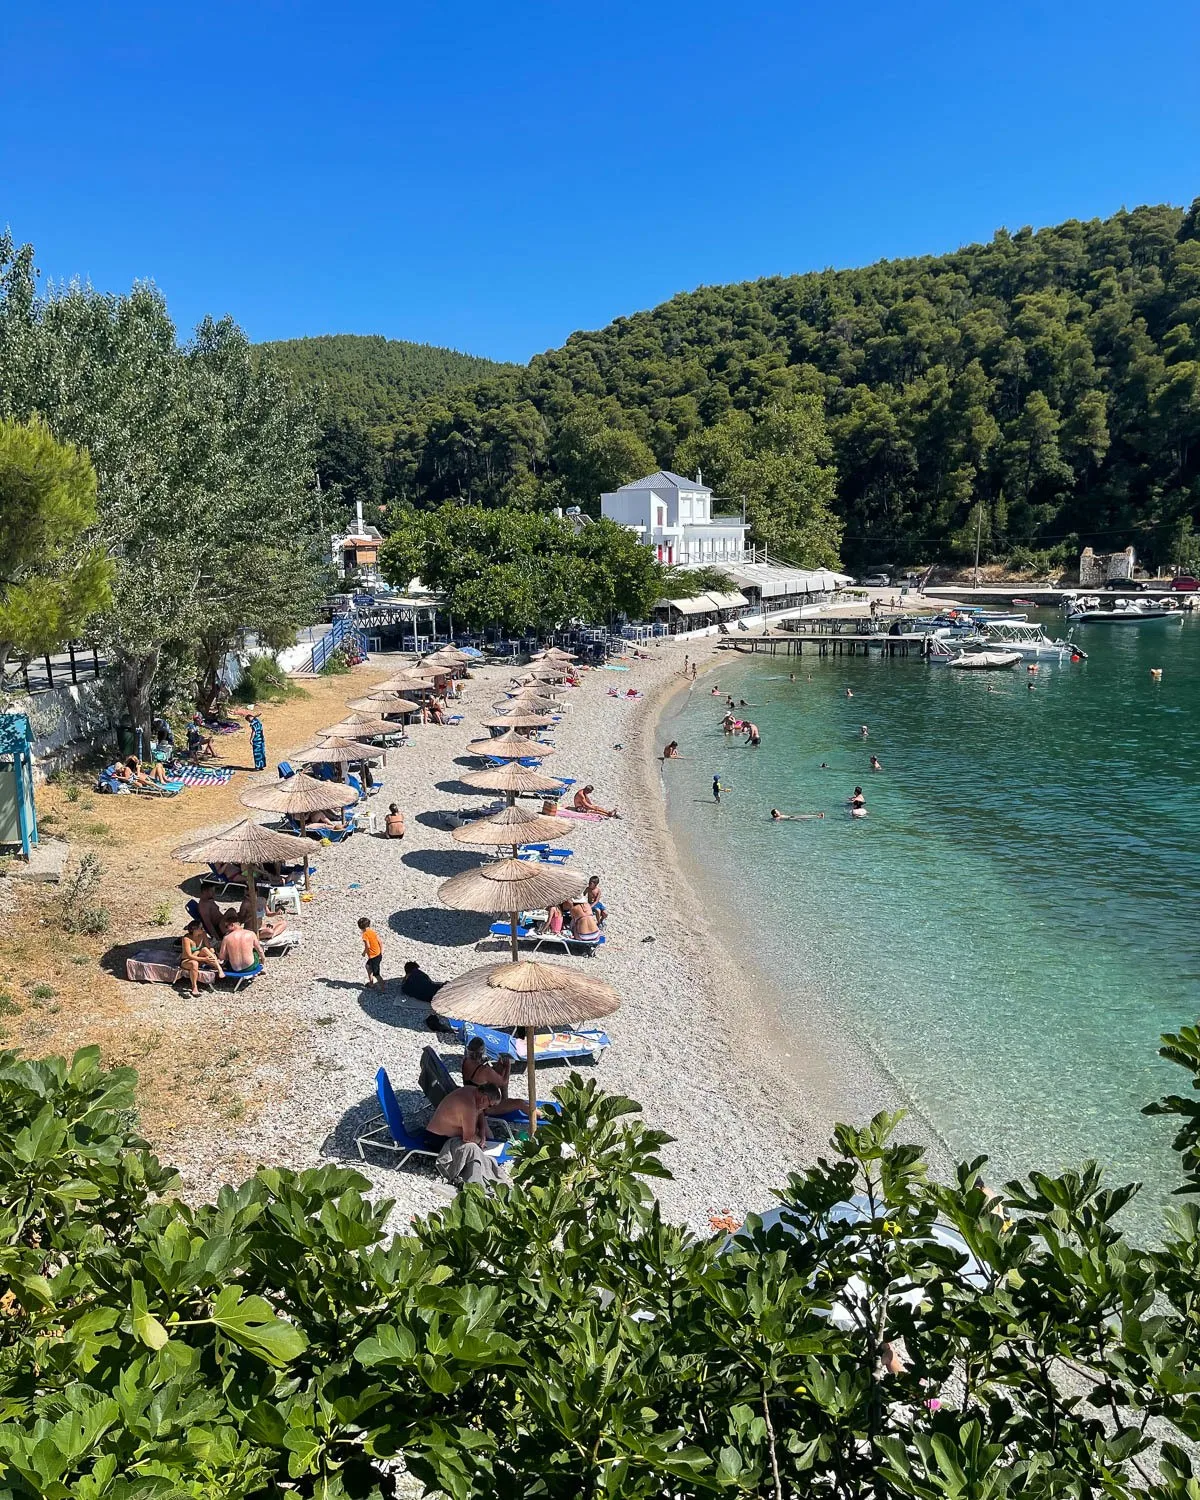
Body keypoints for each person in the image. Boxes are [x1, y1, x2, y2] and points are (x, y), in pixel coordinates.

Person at [424, 1083, 506, 1190]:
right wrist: (481, 1141)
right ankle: (476, 1183)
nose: (488, 1109)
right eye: (490, 1105)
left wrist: (482, 1131)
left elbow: (480, 1112)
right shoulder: (468, 1105)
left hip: (443, 1134)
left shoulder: (473, 1091)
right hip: (437, 1139)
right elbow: (468, 1137)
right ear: (484, 1099)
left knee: (476, 1145)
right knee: (472, 1149)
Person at [180, 921, 223, 995]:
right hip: (187, 960)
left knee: (205, 949)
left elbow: (208, 947)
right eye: (201, 928)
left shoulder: (203, 934)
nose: (203, 929)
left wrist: (212, 951)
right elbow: (189, 955)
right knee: (194, 963)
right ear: (194, 929)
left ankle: (219, 968)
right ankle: (194, 987)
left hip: (198, 956)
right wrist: (204, 959)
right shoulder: (186, 939)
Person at [357, 916, 383, 988]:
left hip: (373, 956)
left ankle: (383, 988)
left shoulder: (365, 935)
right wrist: (381, 952)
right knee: (368, 966)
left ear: (360, 927)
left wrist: (364, 953)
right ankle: (371, 983)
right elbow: (380, 942)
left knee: (376, 974)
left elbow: (367, 946)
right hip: (378, 954)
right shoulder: (372, 932)